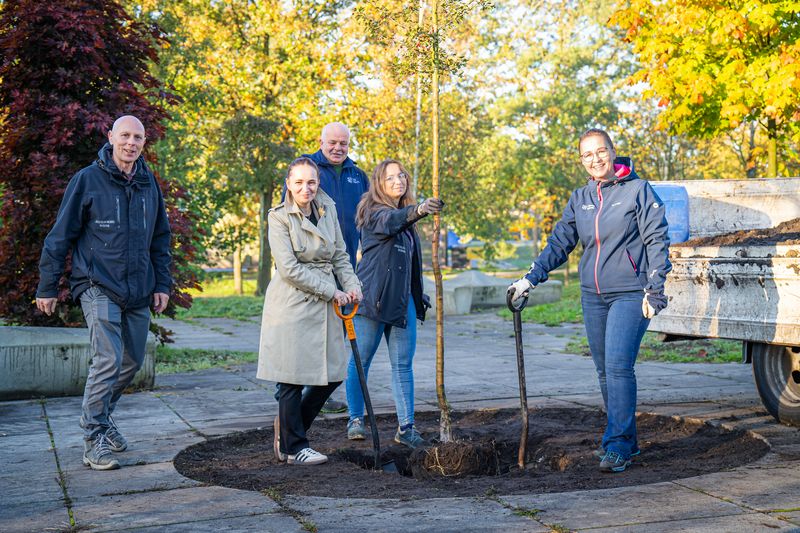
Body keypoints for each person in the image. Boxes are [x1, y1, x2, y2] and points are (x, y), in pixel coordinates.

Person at [508, 128, 671, 473]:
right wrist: (530, 278)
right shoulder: (580, 197)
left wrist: (655, 289)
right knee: (603, 371)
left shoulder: (638, 190)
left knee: (617, 367)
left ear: (613, 152)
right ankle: (628, 441)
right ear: (581, 160)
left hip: (630, 292)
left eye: (601, 151)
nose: (595, 159)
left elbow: (657, 238)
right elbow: (559, 243)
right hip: (592, 296)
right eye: (587, 155)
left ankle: (616, 446)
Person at [36, 115, 172, 471]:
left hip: (139, 288)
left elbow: (160, 237)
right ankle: (94, 437)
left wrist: (161, 283)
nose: (131, 142)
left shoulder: (147, 182)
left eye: (138, 137)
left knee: (131, 361)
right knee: (108, 359)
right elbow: (60, 236)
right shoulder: (87, 180)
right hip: (97, 285)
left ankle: (103, 417)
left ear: (145, 142)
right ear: (111, 137)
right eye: (124, 135)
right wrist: (47, 286)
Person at [258, 157, 362, 465]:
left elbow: (341, 254)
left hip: (327, 303)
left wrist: (353, 284)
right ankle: (294, 447)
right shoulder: (278, 217)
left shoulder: (327, 210)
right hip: (293, 302)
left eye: (312, 182)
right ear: (288, 184)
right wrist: (335, 291)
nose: (306, 188)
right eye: (299, 182)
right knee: (291, 378)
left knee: (332, 374)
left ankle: (290, 430)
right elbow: (289, 269)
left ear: (318, 184)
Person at [344, 159, 443, 449]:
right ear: (379, 184)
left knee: (402, 365)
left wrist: (419, 297)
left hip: (402, 304)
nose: (398, 181)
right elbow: (392, 222)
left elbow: (410, 266)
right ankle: (354, 419)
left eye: (401, 175)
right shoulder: (374, 212)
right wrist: (419, 210)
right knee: (360, 362)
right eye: (390, 178)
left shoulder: (407, 221)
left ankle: (406, 427)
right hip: (372, 301)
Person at [277, 122, 370, 414]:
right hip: (308, 267)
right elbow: (289, 218)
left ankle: (318, 392)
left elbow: (365, 219)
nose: (337, 148)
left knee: (333, 337)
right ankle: (290, 392)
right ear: (321, 141)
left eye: (343, 143)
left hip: (341, 263)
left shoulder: (358, 176)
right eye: (332, 142)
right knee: (305, 333)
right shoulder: (307, 171)